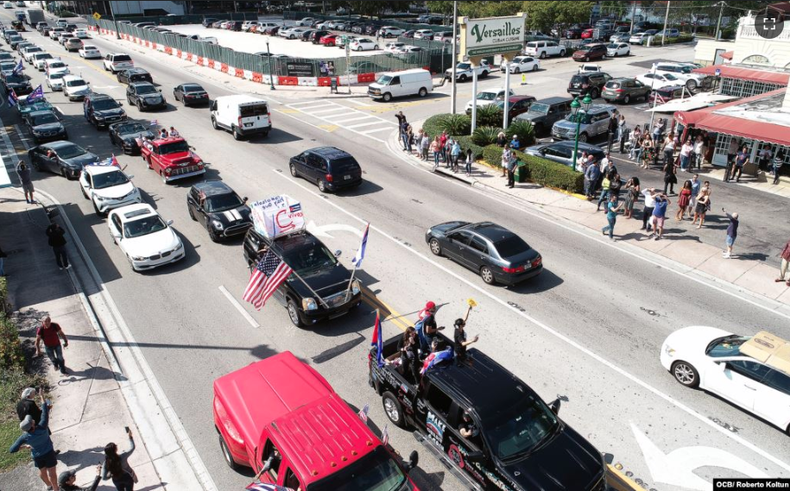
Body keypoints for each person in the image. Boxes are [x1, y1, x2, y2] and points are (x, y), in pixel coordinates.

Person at [10, 393, 59, 491]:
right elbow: (44, 410)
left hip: (37, 456)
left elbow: (12, 449)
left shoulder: (25, 437)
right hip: (48, 453)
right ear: (32, 426)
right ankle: (56, 489)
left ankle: (49, 485)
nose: (32, 420)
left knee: (42, 471)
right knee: (52, 472)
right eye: (31, 420)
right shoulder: (42, 426)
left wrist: (25, 447)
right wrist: (41, 396)